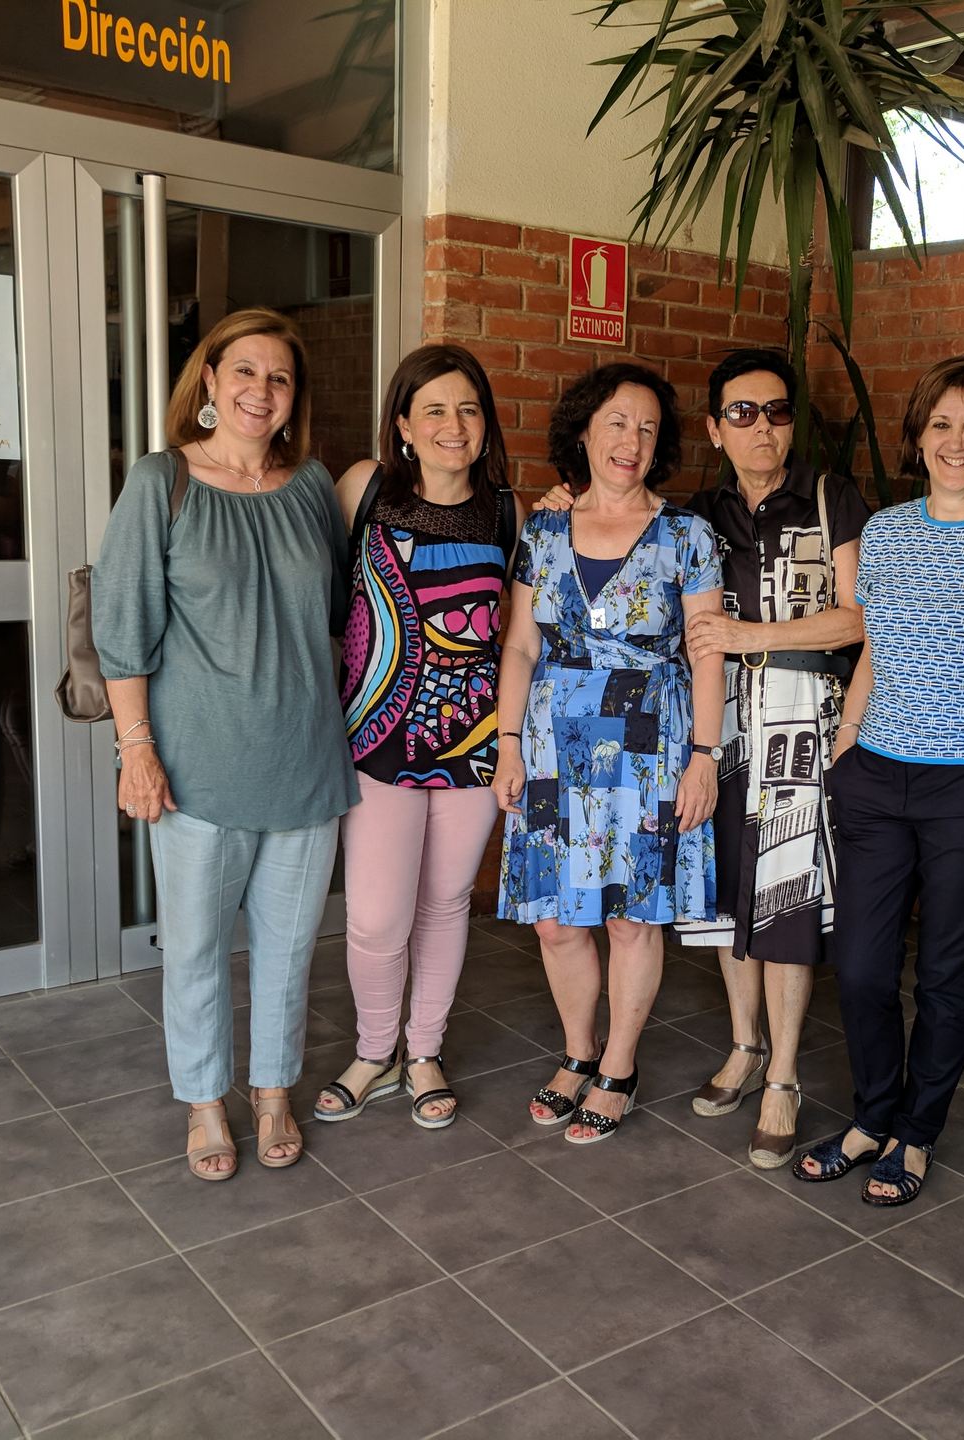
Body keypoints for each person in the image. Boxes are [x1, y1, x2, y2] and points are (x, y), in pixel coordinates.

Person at [530, 349, 867, 1168]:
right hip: (716, 726)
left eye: (777, 411)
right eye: (742, 413)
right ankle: (746, 1048)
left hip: (793, 723)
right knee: (725, 898)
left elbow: (861, 618)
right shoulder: (704, 513)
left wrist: (752, 638)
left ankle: (783, 1076)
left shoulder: (831, 499)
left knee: (784, 899)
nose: (762, 427)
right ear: (716, 430)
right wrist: (560, 496)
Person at [794, 356, 964, 1208]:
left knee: (947, 977)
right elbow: (878, 647)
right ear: (917, 439)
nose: (956, 441)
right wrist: (846, 741)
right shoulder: (886, 533)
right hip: (876, 777)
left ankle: (915, 1132)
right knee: (863, 969)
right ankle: (871, 1115)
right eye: (941, 424)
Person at [94, 307, 356, 1181]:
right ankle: (206, 1102)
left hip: (306, 760)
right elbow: (122, 629)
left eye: (279, 377)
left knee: (288, 953)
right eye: (245, 370)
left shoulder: (312, 487)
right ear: (209, 380)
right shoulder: (161, 481)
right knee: (198, 951)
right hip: (198, 767)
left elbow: (338, 614)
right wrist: (137, 750)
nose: (260, 390)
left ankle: (272, 1092)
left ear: (294, 395)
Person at [494, 362, 726, 1145]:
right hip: (551, 743)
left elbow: (706, 652)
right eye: (618, 423)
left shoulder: (687, 536)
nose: (632, 441)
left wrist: (704, 755)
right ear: (585, 432)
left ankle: (619, 1066)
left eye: (648, 428)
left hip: (648, 745)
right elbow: (520, 645)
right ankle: (578, 1052)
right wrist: (507, 744)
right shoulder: (543, 530)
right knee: (556, 922)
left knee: (630, 918)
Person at [314, 344, 523, 1131]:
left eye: (468, 408)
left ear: (486, 423)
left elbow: (516, 635)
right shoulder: (363, 489)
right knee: (375, 917)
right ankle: (375, 1052)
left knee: (444, 902)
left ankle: (424, 1050)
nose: (453, 424)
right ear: (402, 423)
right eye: (434, 408)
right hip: (375, 736)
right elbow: (319, 599)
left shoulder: (506, 512)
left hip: (473, 743)